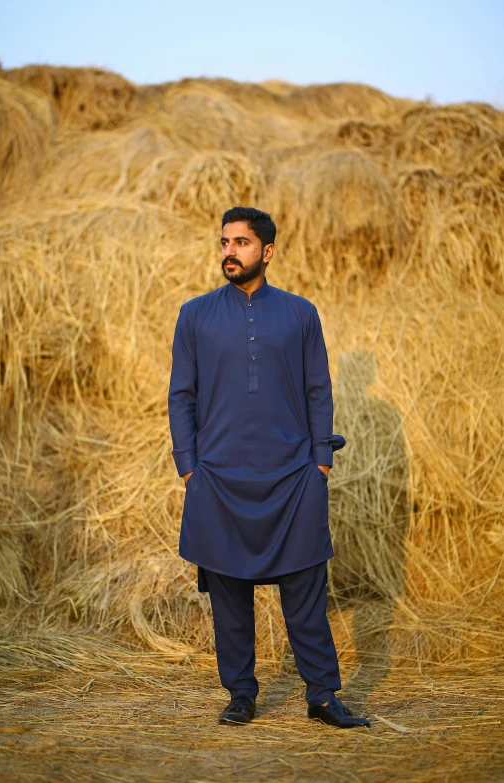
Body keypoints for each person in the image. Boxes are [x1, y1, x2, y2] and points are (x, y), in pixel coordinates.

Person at [168, 206, 370, 729]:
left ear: (268, 251)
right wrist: (189, 467)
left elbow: (318, 390)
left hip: (293, 478)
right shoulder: (195, 314)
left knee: (305, 594)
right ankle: (241, 694)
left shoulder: (301, 313)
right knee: (230, 599)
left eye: (240, 242)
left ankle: (322, 696)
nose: (228, 251)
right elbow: (181, 396)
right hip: (218, 480)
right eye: (224, 242)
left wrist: (320, 462)